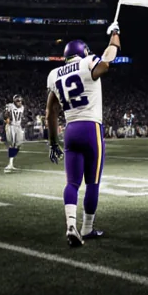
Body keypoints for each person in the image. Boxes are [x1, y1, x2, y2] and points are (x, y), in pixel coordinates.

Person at [45, 22, 121, 247]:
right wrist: (115, 35)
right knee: (93, 183)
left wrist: (52, 143)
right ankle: (87, 228)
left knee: (72, 183)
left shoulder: (53, 74)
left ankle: (71, 224)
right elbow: (106, 63)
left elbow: (50, 112)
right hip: (91, 128)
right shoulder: (88, 62)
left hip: (70, 131)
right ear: (83, 52)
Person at [2, 95, 26, 173]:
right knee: (12, 144)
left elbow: (21, 117)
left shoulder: (22, 107)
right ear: (14, 101)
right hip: (11, 126)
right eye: (18, 101)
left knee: (19, 144)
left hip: (18, 126)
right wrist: (7, 118)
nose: (20, 102)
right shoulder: (10, 106)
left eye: (20, 101)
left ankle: (11, 163)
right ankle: (10, 164)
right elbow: (5, 114)